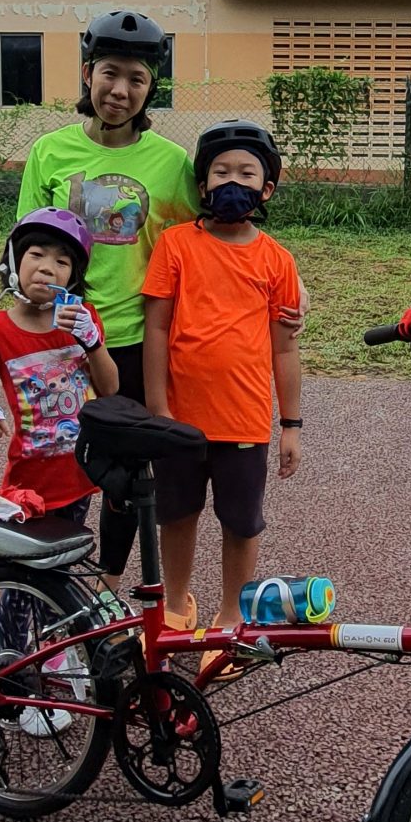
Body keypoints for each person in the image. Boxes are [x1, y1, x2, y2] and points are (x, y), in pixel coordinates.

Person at [15, 11, 198, 581]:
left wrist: (288, 284)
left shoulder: (171, 163)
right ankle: (36, 586)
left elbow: (210, 238)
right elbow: (22, 248)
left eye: (136, 79)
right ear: (87, 74)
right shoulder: (50, 152)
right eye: (110, 73)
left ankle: (109, 591)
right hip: (60, 342)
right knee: (51, 463)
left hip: (135, 340)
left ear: (150, 88)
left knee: (125, 475)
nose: (120, 90)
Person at [142, 121, 303, 648]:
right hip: (179, 419)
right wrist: (158, 408)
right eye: (221, 172)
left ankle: (232, 612)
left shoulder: (277, 260)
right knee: (176, 514)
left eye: (247, 173)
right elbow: (157, 328)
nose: (233, 181)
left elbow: (285, 348)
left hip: (245, 420)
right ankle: (176, 603)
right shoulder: (175, 245)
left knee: (240, 521)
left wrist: (291, 424)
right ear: (203, 185)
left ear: (266, 189)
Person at [0, 208, 119, 522]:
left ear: (73, 276)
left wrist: (93, 342)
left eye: (62, 262)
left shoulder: (83, 320)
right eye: (37, 254)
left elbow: (110, 388)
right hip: (28, 482)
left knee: (67, 549)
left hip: (80, 476)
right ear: (14, 261)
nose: (47, 268)